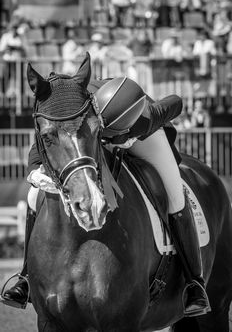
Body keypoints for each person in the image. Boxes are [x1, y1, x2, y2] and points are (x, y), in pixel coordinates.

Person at [2, 70, 210, 317]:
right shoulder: (66, 103)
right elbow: (45, 138)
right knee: (32, 196)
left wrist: (129, 136)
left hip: (142, 134)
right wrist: (35, 170)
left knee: (175, 194)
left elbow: (176, 102)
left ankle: (193, 282)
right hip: (83, 129)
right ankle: (26, 276)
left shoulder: (142, 118)